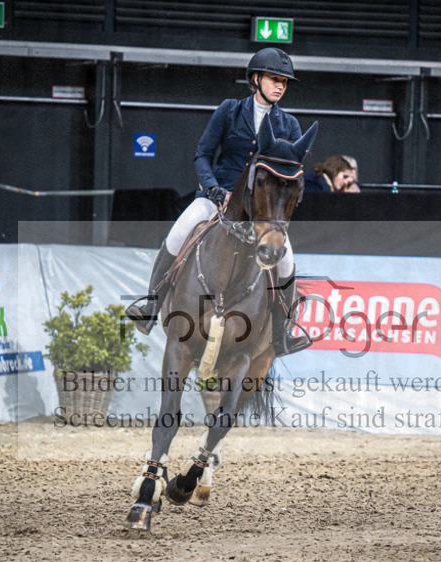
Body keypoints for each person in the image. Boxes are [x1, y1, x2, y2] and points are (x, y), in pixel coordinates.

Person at [125, 47, 309, 356]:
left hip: (262, 213)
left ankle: (283, 332)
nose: (280, 86)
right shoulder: (230, 110)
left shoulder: (289, 125)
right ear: (256, 78)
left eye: (285, 82)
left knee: (287, 260)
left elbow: (289, 174)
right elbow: (203, 155)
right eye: (275, 79)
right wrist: (212, 189)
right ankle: (151, 304)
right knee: (177, 235)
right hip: (219, 197)